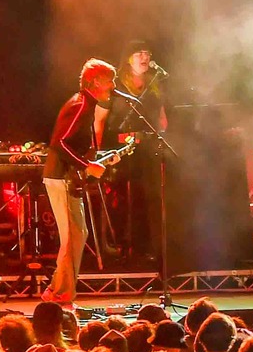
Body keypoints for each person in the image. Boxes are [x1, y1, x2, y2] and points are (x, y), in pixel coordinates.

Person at [44, 59, 123, 308]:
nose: (113, 86)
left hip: (68, 178)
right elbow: (59, 143)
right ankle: (61, 296)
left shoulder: (86, 105)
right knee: (72, 236)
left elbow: (75, 146)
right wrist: (87, 165)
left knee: (78, 234)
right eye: (110, 80)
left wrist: (102, 157)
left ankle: (57, 291)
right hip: (61, 177)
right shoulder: (79, 105)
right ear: (96, 81)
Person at [112, 39, 170, 268]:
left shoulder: (154, 83)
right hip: (124, 149)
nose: (145, 57)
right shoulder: (118, 84)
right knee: (128, 197)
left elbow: (162, 116)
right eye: (139, 53)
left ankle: (152, 247)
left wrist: (162, 132)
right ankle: (127, 246)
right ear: (128, 58)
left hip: (149, 147)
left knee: (152, 197)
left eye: (147, 53)